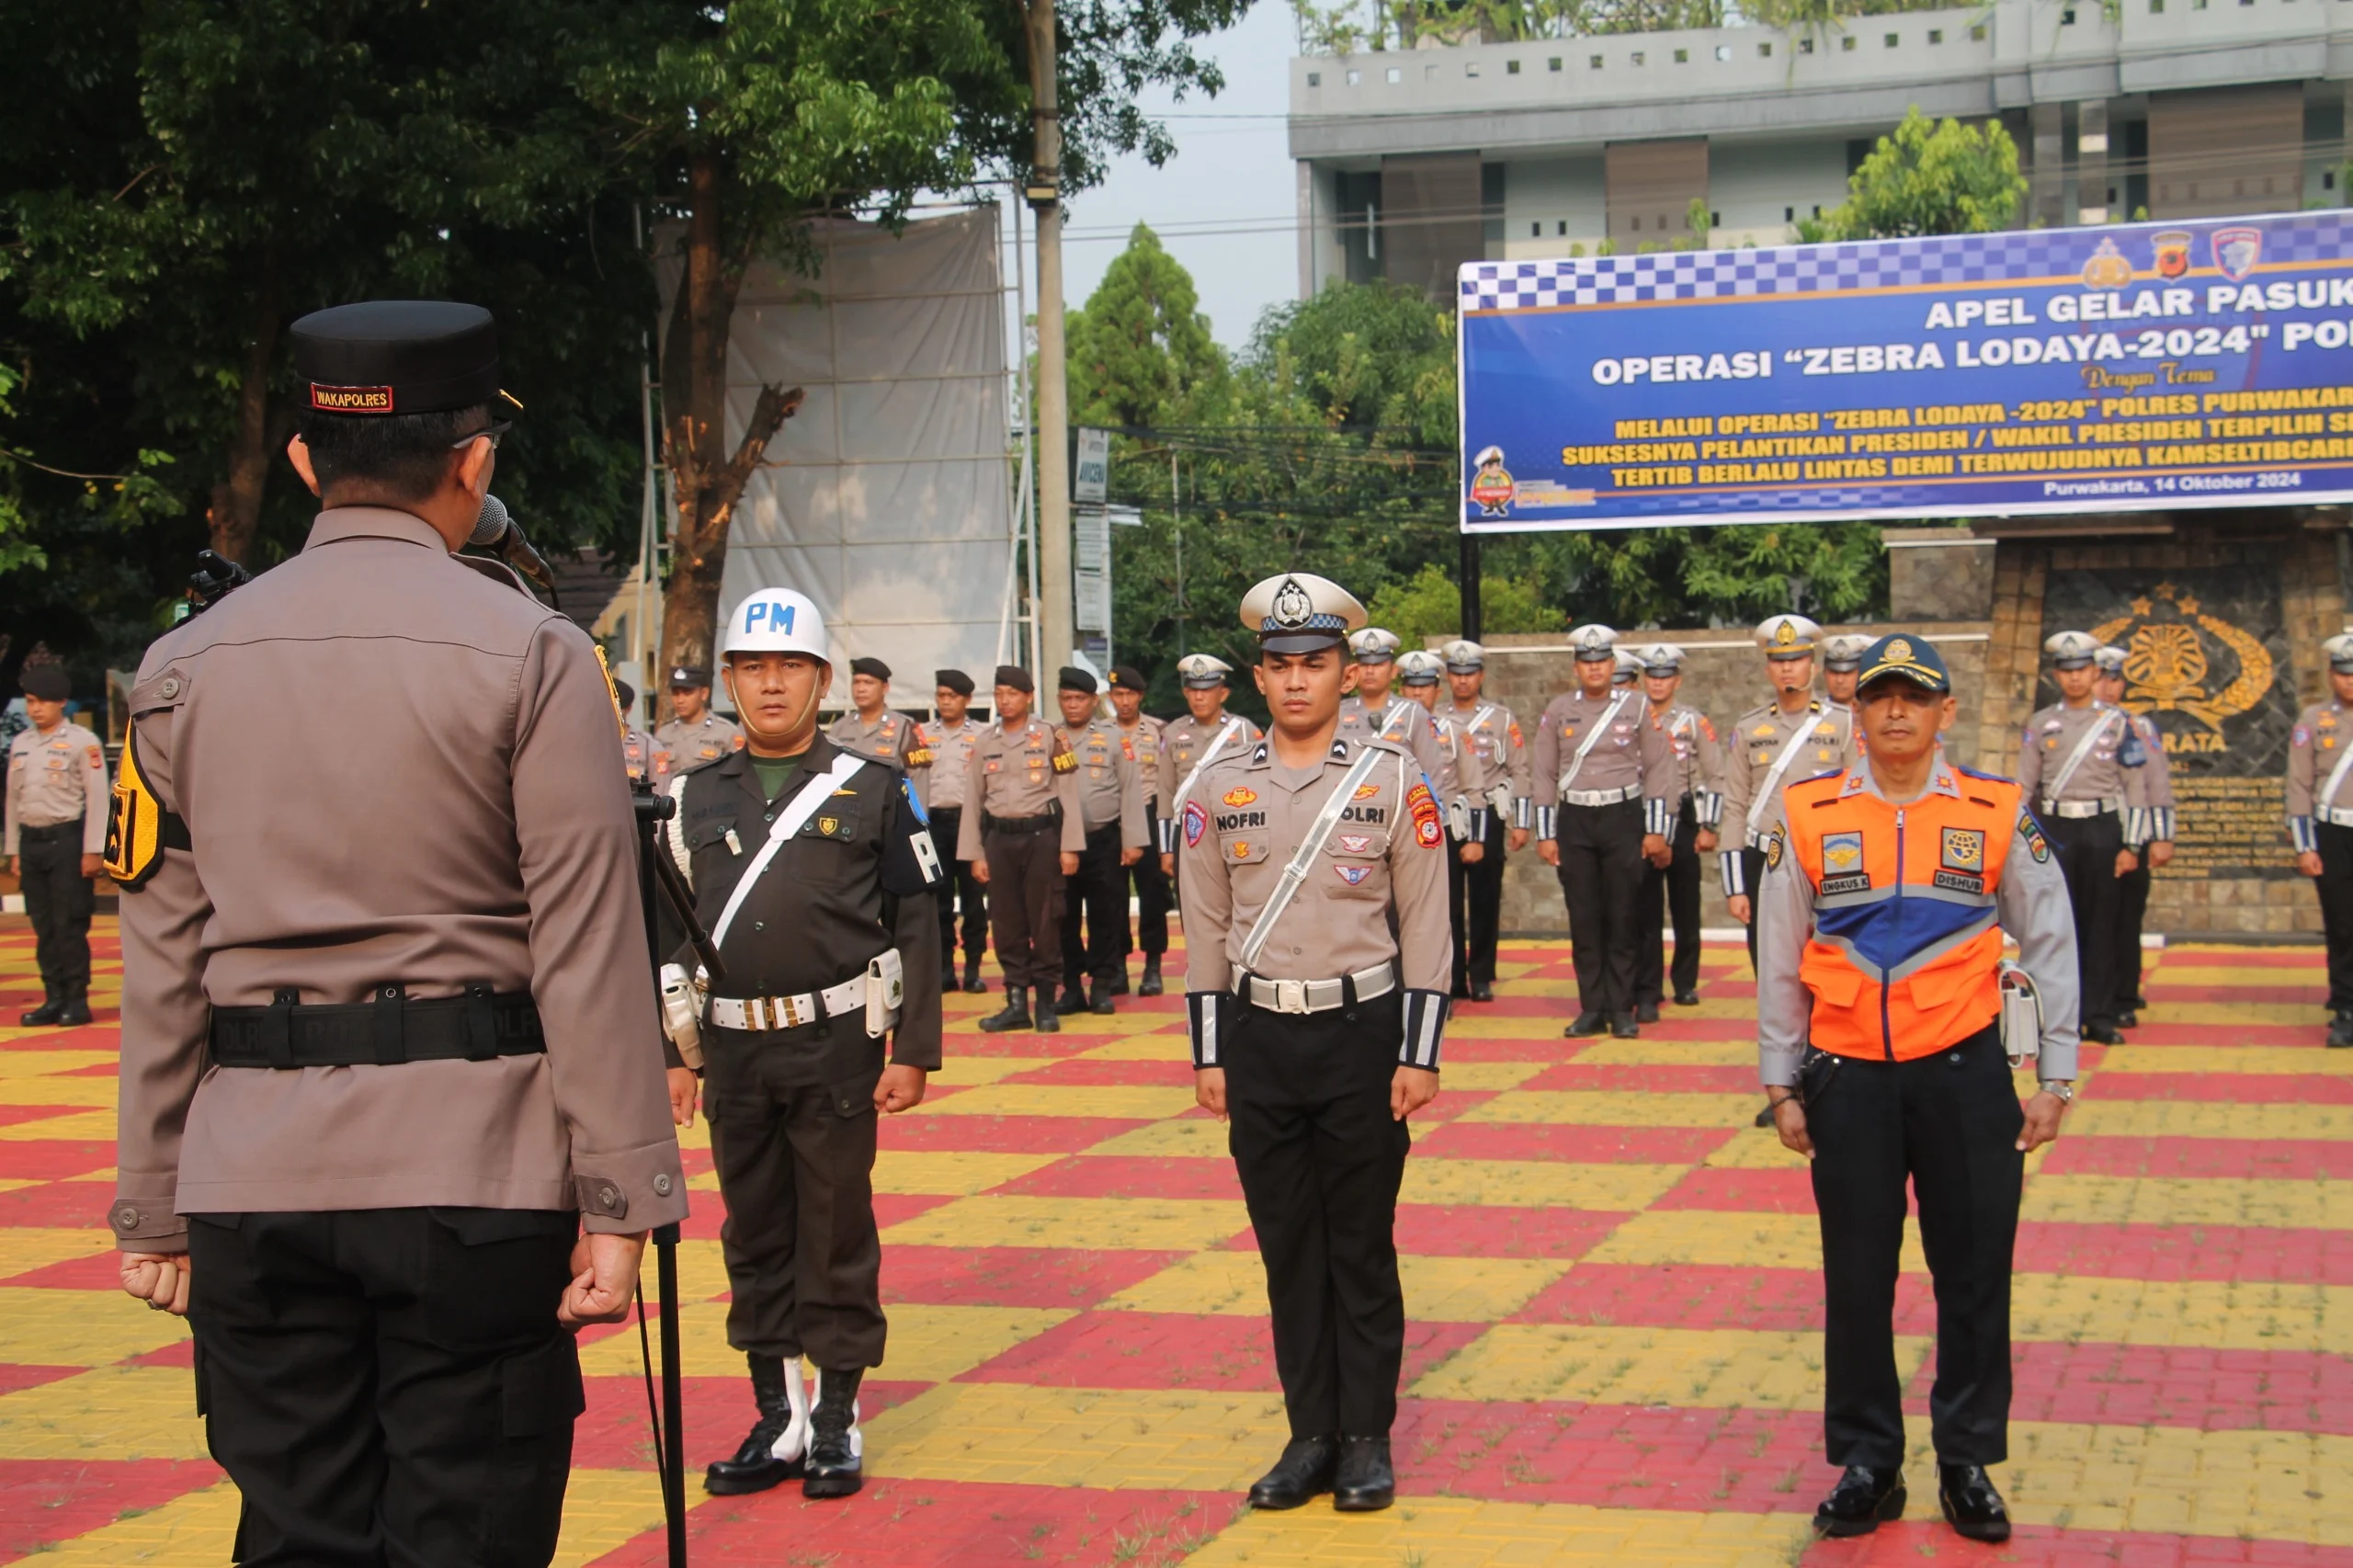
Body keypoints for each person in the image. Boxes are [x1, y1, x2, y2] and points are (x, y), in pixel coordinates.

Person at [108, 300, 687, 1568]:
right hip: (472, 1171)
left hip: (252, 1175)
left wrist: (151, 1199)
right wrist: (626, 1191)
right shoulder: (535, 655)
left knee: (296, 1532)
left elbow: (161, 966)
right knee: (464, 1535)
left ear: (308, 462)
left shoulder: (175, 670)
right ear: (475, 465)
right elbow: (587, 947)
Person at [1756, 633, 2078, 1546]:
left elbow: (2048, 942)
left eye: (1915, 695)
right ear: (1856, 711)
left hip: (1965, 1074)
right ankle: (1868, 1462)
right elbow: (1779, 957)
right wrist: (1780, 1079)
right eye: (1879, 694)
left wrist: (2056, 1074)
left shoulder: (1995, 808)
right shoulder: (1808, 811)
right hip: (1847, 1078)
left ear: (1944, 711)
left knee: (1973, 1273)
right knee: (1856, 1278)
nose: (1895, 709)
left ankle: (1967, 1458)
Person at [1180, 571, 1449, 1516]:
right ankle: (1309, 1433)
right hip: (1259, 1039)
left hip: (1362, 1036)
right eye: (1281, 664)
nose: (1298, 680)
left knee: (1360, 1246)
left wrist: (1418, 1052)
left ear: (1346, 672)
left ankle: (1367, 1436)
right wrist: (1209, 1054)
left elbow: (1426, 926)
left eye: (1317, 663)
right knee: (1287, 1246)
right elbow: (1203, 927)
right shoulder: (1216, 787)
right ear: (1259, 675)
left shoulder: (1389, 777)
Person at [671, 587, 942, 1502]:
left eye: (789, 666)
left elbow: (916, 919)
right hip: (732, 1054)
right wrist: (671, 1052)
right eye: (751, 667)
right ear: (731, 683)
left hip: (835, 1047)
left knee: (833, 1231)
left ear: (821, 680)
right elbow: (665, 929)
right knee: (752, 1231)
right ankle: (775, 1416)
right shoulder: (691, 795)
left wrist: (914, 1046)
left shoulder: (873, 789)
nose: (770, 683)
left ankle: (834, 1418)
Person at [1532, 625, 1676, 1039]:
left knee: (1623, 914)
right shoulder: (1559, 710)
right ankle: (1592, 1008)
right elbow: (1543, 771)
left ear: (1613, 666)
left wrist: (1657, 829)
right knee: (1585, 918)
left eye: (1601, 662)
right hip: (1575, 818)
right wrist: (1545, 833)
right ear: (1576, 667)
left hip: (1623, 816)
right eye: (1587, 662)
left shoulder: (1636, 706)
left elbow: (1658, 769)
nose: (1594, 669)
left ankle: (1622, 1007)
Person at [2018, 630, 2150, 1046]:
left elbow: (2135, 788)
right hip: (2057, 830)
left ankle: (2101, 1014)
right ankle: (2062, 1018)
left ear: (2095, 673)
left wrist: (2133, 845)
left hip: (2103, 827)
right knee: (2058, 926)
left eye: (2082, 670)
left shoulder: (2118, 724)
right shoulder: (2041, 724)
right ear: (2057, 675)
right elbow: (2024, 786)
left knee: (2103, 924)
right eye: (2066, 670)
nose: (2074, 678)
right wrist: (2019, 840)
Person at [1721, 615, 1861, 974]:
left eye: (1796, 660)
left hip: (1825, 855)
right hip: (1764, 854)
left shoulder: (1842, 723)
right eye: (1778, 661)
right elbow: (1735, 806)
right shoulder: (1749, 727)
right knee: (1767, 962)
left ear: (1812, 667)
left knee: (1826, 957)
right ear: (1768, 670)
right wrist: (1735, 887)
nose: (1787, 669)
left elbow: (1859, 799)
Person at [960, 666, 1084, 1034]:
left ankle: (1045, 1002)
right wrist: (975, 853)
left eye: (1012, 694)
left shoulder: (1050, 736)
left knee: (1046, 919)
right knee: (1006, 922)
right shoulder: (985, 741)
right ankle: (1016, 1003)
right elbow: (972, 800)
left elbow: (1069, 794)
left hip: (1041, 837)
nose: (1004, 700)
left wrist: (1070, 846)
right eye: (999, 694)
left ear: (1028, 697)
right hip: (999, 839)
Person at [7, 665, 108, 1028]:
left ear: (62, 703)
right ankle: (53, 997)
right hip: (32, 843)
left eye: (44, 702)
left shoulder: (83, 742)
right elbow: (12, 801)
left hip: (67, 841)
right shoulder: (22, 744)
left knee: (69, 924)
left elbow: (98, 797)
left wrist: (94, 849)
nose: (36, 709)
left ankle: (76, 999)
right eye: (31, 702)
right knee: (43, 925)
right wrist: (14, 850)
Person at [1051, 667, 1149, 1017]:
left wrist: (1133, 840)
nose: (1073, 705)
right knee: (1062, 915)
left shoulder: (1112, 738)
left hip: (1104, 839)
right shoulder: (1049, 737)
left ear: (1094, 701)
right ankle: (1072, 986)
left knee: (1106, 912)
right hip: (1059, 842)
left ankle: (1103, 985)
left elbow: (1130, 790)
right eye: (1067, 698)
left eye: (1080, 699)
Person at [1632, 643, 1722, 1018]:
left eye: (1665, 675)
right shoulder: (1632, 718)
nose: (1658, 683)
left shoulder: (1692, 721)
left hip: (1683, 817)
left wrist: (1709, 825)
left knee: (1686, 907)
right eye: (1652, 676)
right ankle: (1647, 986)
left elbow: (1716, 772)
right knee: (1645, 909)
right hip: (1643, 819)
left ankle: (1685, 982)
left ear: (1677, 680)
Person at [1441, 640, 1530, 1004]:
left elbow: (1520, 769)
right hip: (1448, 813)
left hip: (1488, 812)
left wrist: (1520, 822)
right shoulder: (1436, 717)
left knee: (1484, 898)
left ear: (1481, 676)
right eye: (1457, 674)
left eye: (1470, 674)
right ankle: (1452, 976)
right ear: (1448, 677)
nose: (1463, 681)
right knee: (1446, 903)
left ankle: (1481, 974)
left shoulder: (1501, 718)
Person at [1399, 650, 1490, 998]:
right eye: (1410, 686)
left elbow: (1473, 785)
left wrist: (1476, 838)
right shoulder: (1391, 726)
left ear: (1437, 689)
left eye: (1424, 686)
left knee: (1447, 911)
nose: (1417, 693)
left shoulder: (1453, 730)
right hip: (1400, 829)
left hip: (1444, 829)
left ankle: (1452, 983)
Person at [2096, 644, 2171, 1028]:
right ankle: (2097, 994)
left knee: (2127, 919)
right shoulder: (2063, 725)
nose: (2108, 688)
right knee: (2093, 920)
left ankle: (2125, 994)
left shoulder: (2138, 726)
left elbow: (2157, 783)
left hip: (2133, 835)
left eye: (2115, 680)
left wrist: (2161, 836)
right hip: (2091, 833)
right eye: (2102, 678)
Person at [2287, 631, 2353, 1047]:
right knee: (2343, 924)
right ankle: (2346, 1008)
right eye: (2344, 674)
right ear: (2332, 676)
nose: (2351, 681)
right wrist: (2305, 845)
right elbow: (2298, 784)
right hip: (2333, 833)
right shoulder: (2313, 721)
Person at [1156, 653, 1263, 883]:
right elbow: (1165, 792)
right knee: (1189, 898)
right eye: (1193, 690)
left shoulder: (1245, 731)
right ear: (1186, 693)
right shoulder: (1172, 733)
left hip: (1232, 827)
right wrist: (1166, 847)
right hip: (1188, 829)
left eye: (1206, 690)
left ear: (1222, 694)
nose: (1199, 697)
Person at [926, 669, 991, 994]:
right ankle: (944, 968)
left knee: (973, 900)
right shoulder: (921, 734)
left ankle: (974, 968)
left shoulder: (982, 735)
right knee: (938, 901)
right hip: (933, 823)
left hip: (970, 823)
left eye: (952, 696)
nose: (945, 702)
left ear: (967, 700)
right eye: (941, 696)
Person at [1108, 665, 1171, 996]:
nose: (1124, 701)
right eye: (1118, 695)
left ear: (1140, 696)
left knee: (1152, 894)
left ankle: (1153, 966)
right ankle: (1117, 967)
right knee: (1113, 896)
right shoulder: (1100, 731)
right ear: (1109, 697)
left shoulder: (1159, 732)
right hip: (1112, 818)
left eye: (1130, 694)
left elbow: (1167, 782)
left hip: (1149, 813)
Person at [1337, 628, 1447, 784]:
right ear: (1353, 670)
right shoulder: (1338, 712)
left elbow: (1430, 774)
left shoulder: (1414, 714)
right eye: (1364, 664)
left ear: (1394, 670)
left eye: (1378, 664)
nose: (1370, 670)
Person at [828, 656, 932, 801]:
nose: (861, 689)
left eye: (868, 683)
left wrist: (918, 821)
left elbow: (918, 781)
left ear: (885, 688)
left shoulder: (904, 727)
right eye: (856, 682)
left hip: (888, 812)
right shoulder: (839, 728)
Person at [657, 664, 745, 774]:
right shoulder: (663, 734)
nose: (680, 700)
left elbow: (737, 774)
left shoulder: (726, 733)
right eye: (676, 693)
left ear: (704, 694)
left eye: (687, 693)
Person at [613, 680, 673, 792]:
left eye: (616, 708)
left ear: (628, 708)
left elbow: (660, 797)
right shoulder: (588, 746)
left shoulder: (649, 748)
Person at [1822, 633, 1870, 712]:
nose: (1840, 680)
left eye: (1848, 673)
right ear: (1824, 673)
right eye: (1834, 673)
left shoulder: (1872, 713)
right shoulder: (1812, 716)